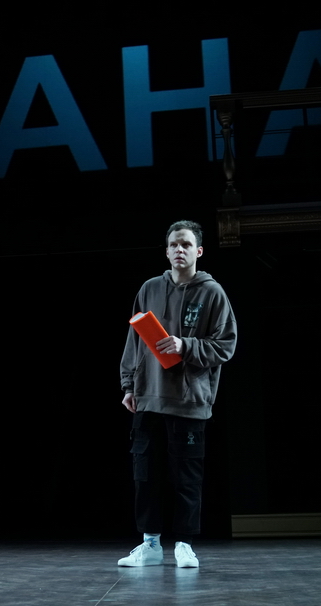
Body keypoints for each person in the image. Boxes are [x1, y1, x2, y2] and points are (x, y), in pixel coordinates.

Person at [118, 220, 236, 568]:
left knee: (186, 477)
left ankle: (184, 544)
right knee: (145, 475)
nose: (179, 250)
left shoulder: (212, 293)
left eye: (185, 244)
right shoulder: (150, 288)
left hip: (189, 401)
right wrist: (129, 384)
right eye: (173, 244)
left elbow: (226, 345)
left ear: (198, 251)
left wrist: (186, 346)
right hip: (148, 397)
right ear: (167, 251)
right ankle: (150, 544)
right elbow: (134, 341)